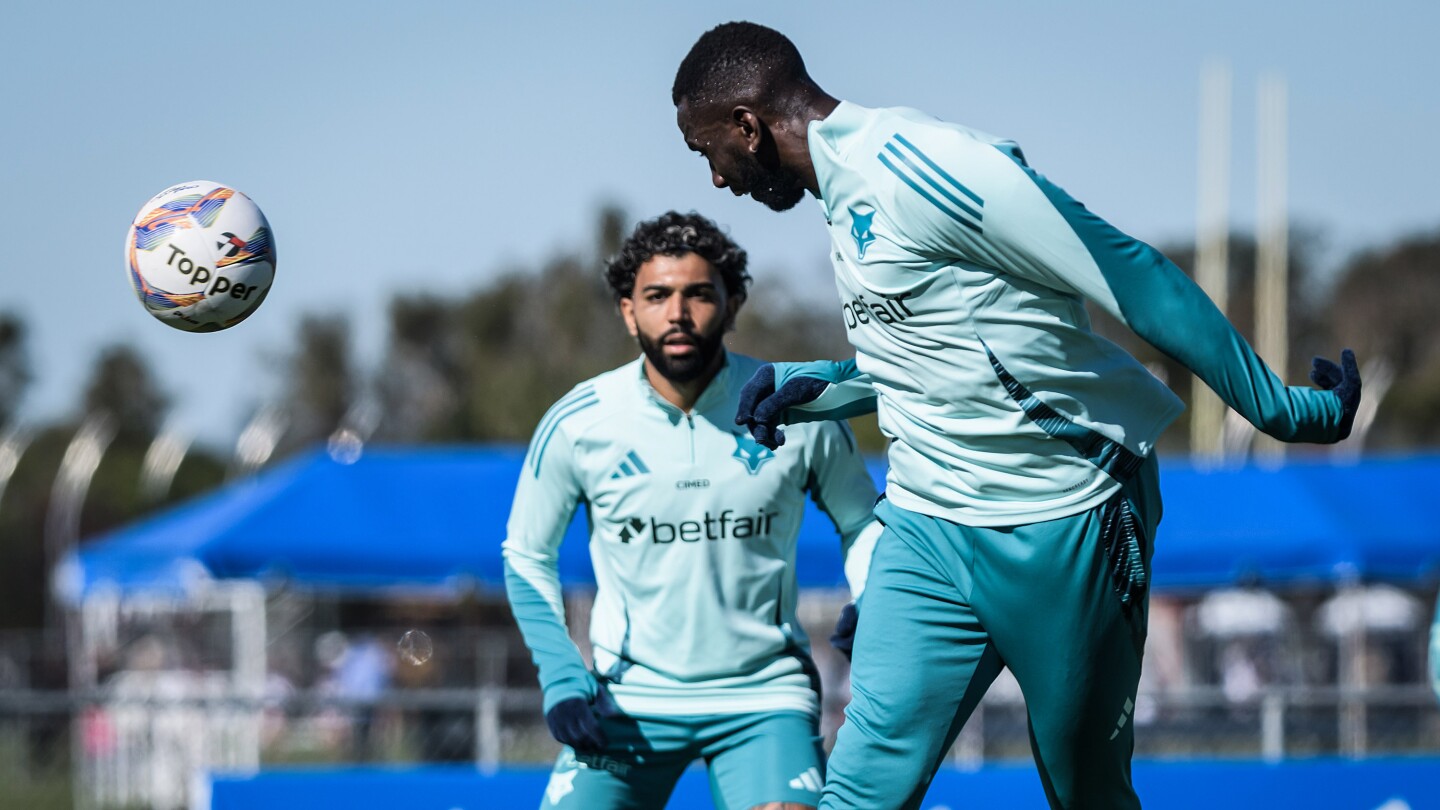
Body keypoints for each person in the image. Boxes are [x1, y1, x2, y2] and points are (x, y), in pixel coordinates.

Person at [672, 22, 1362, 810]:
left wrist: (1281, 409)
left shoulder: (923, 165)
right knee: (860, 795)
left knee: (1086, 793)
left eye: (708, 154)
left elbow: (1129, 272)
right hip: (929, 530)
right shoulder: (839, 199)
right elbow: (948, 351)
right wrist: (819, 387)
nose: (718, 182)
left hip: (1067, 521)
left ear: (747, 127)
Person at [503, 211, 882, 810]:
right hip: (626, 700)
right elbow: (527, 554)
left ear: (732, 306)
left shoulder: (790, 405)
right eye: (656, 296)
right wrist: (561, 676)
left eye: (699, 294)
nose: (677, 313)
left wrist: (873, 593)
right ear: (629, 310)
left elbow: (862, 520)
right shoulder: (579, 421)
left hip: (764, 698)